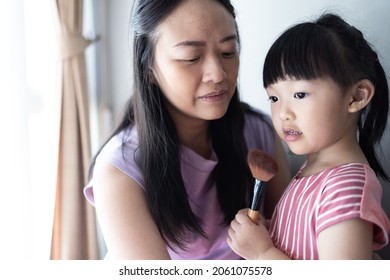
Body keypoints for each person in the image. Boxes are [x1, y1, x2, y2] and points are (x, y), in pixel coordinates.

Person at [84, 0, 291, 260]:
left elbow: (292, 240)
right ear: (148, 68)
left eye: (228, 51)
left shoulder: (257, 131)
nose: (218, 74)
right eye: (191, 58)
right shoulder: (120, 171)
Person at [227, 13, 390, 260]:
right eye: (274, 98)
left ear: (356, 96)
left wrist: (262, 254)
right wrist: (268, 234)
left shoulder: (346, 187)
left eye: (300, 95)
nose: (283, 113)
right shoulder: (313, 172)